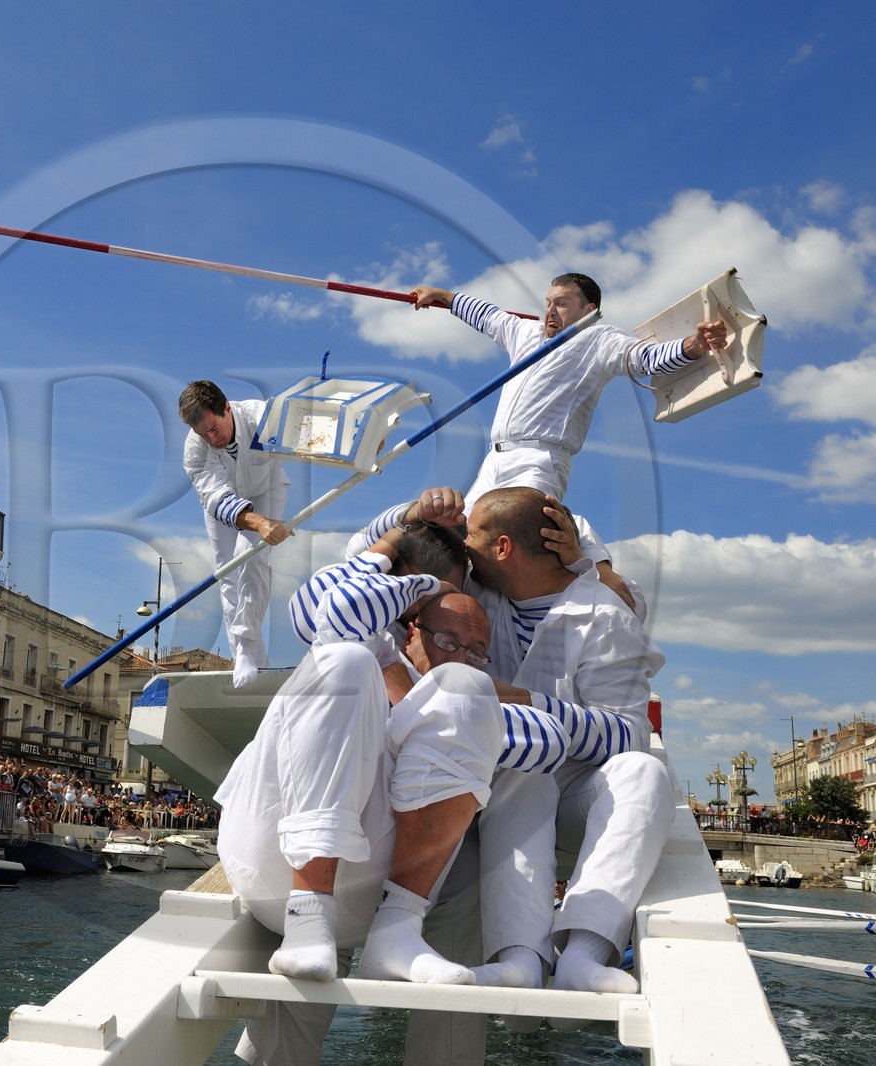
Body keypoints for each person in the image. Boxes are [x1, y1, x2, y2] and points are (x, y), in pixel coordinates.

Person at [216, 550, 567, 1064]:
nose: (462, 658)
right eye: (448, 640)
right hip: (275, 857)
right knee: (345, 660)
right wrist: (415, 574)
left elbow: (554, 743)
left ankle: (394, 929)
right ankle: (308, 911)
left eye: (477, 651)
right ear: (409, 631)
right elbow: (329, 612)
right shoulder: (358, 650)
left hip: (372, 895)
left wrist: (451, 707)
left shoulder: (462, 699)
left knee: (461, 695)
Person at [377, 485, 667, 1046]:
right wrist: (409, 513)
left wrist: (525, 702)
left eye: (475, 533)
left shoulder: (606, 618)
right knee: (524, 773)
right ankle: (520, 960)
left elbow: (628, 732)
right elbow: (375, 549)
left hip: (577, 798)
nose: (464, 539)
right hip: (496, 790)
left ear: (504, 547)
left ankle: (582, 956)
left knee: (647, 772)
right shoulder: (475, 596)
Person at [409, 274, 726, 507]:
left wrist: (694, 345)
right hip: (494, 459)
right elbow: (486, 314)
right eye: (548, 303)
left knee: (516, 536)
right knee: (463, 535)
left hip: (540, 460)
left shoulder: (601, 340)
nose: (550, 310)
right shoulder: (523, 331)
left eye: (561, 303)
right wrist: (441, 295)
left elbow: (646, 359)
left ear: (588, 310)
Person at [179, 380, 291, 688]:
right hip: (223, 504)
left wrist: (361, 447)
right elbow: (216, 497)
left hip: (267, 488)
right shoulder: (195, 448)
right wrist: (258, 523)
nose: (211, 439)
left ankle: (246, 639)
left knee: (251, 557)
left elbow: (312, 432)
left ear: (227, 407)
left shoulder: (263, 417)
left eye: (214, 428)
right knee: (228, 574)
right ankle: (247, 655)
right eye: (203, 433)